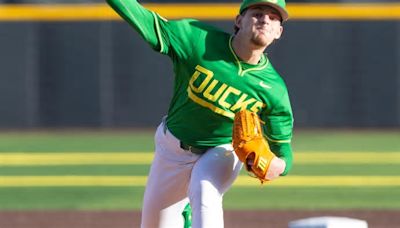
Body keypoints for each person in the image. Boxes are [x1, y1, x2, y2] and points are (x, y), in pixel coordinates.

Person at [106, 0, 294, 227]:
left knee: (205, 191)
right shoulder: (196, 40)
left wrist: (279, 166)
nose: (265, 20)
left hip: (222, 150)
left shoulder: (274, 89)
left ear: (279, 32)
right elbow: (142, 18)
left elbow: (283, 152)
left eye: (274, 18)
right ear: (239, 20)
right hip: (172, 148)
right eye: (257, 13)